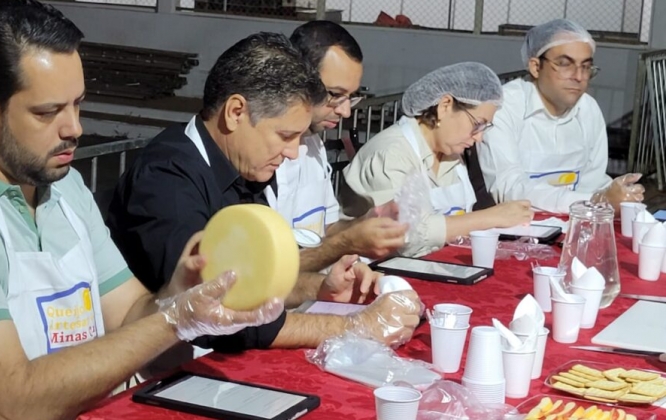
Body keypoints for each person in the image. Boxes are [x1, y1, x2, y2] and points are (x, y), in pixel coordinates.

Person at [0, 2, 316, 417]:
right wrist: (174, 320)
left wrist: (180, 295)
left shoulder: (64, 190)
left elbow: (130, 314)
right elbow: (11, 403)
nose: (74, 127)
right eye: (49, 112)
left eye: (77, 104)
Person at [106, 32, 423, 353]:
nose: (293, 153)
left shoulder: (248, 166)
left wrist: (321, 288)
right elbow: (219, 312)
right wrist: (355, 326)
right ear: (235, 112)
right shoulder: (166, 177)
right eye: (285, 136)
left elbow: (251, 283)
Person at [339, 62, 534, 257]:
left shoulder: (452, 153)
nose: (479, 137)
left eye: (484, 128)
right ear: (444, 106)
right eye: (477, 125)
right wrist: (493, 217)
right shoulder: (391, 153)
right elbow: (407, 237)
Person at [264, 21, 408, 272]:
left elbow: (326, 228)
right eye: (335, 95)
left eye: (351, 97)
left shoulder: (314, 144)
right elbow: (268, 270)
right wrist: (346, 243)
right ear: (298, 78)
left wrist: (367, 222)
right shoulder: (262, 157)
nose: (344, 110)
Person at [478, 19, 645, 214]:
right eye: (565, 64)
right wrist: (595, 200)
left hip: (572, 223)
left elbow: (592, 178)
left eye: (585, 67)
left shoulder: (588, 109)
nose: (578, 76)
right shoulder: (505, 107)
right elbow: (509, 188)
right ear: (535, 67)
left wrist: (618, 193)